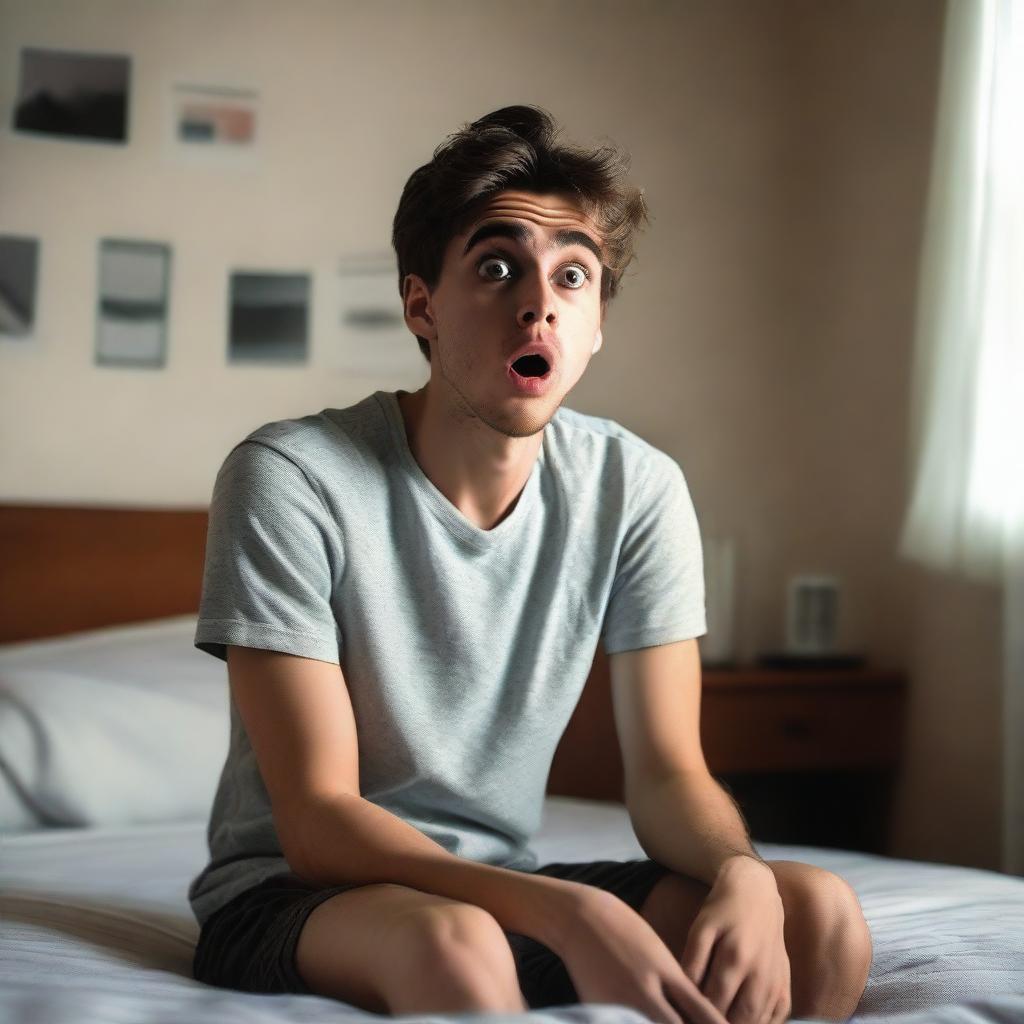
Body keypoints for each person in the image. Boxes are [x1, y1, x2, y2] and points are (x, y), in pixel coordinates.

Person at [188, 105, 872, 1024]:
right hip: (294, 898)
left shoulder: (637, 486)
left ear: (593, 327)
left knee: (813, 913)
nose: (538, 301)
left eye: (573, 276)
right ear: (421, 304)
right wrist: (565, 910)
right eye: (498, 266)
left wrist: (740, 874)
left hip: (506, 892)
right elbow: (315, 822)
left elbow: (670, 772)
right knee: (454, 939)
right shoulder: (292, 478)